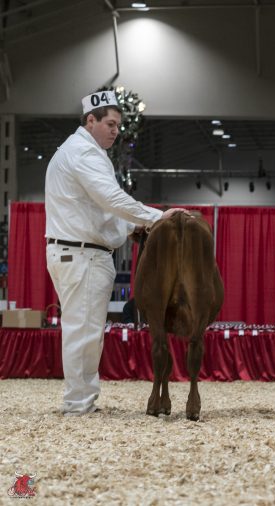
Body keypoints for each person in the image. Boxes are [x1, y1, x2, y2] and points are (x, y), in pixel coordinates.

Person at [45, 90, 186, 416]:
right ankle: (77, 405)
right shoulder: (84, 152)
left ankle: (81, 400)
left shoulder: (80, 150)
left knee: (85, 330)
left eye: (118, 125)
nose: (115, 130)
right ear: (90, 121)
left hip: (77, 252)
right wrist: (156, 217)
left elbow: (97, 209)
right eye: (110, 123)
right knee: (83, 332)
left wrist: (131, 226)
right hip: (82, 255)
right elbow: (111, 198)